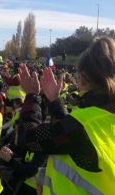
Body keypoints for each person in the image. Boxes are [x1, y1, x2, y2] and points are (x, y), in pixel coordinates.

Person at [16, 37, 115, 194]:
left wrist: (32, 96)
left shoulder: (83, 125)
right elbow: (72, 137)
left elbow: (28, 138)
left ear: (83, 78)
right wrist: (55, 101)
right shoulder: (98, 120)